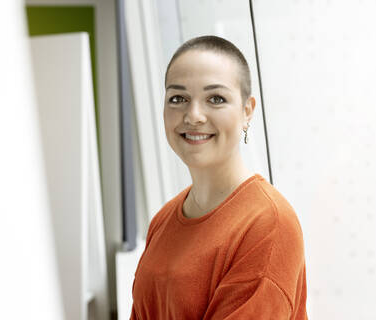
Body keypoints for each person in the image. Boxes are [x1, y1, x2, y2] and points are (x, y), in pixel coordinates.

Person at [130, 35, 308, 319]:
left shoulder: (268, 224)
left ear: (247, 111)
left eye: (216, 98)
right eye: (178, 98)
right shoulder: (163, 220)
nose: (194, 115)